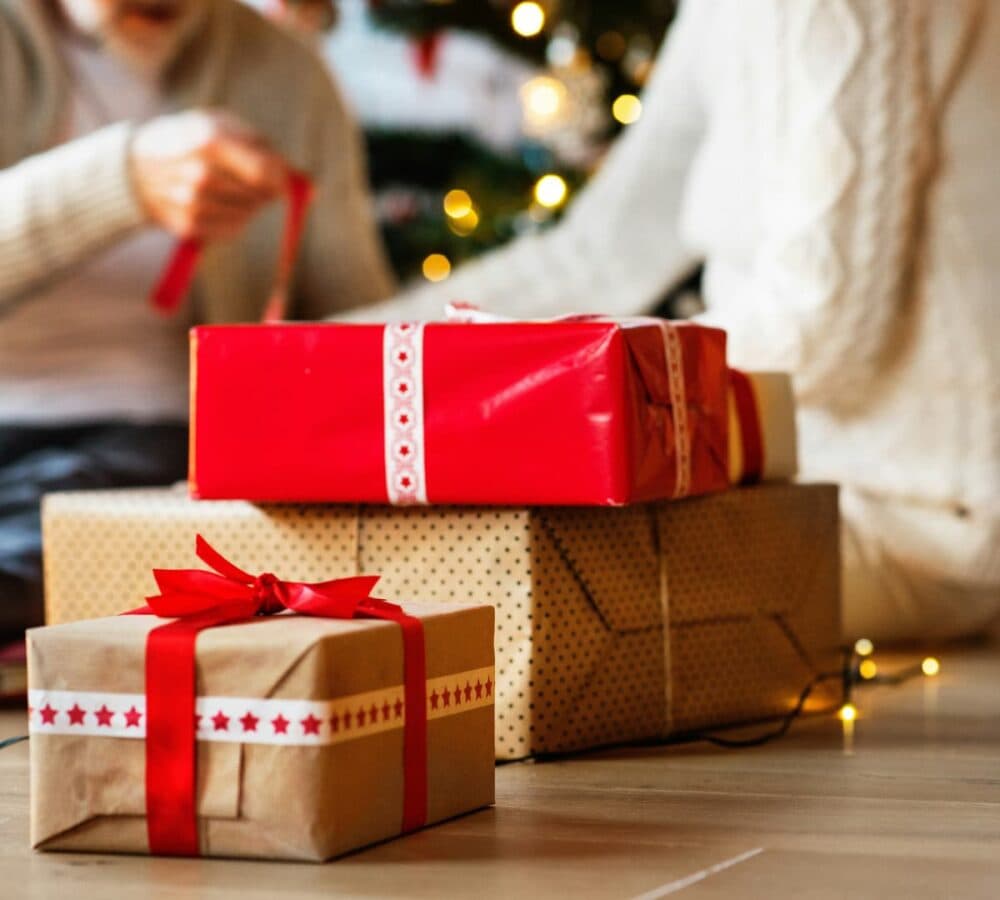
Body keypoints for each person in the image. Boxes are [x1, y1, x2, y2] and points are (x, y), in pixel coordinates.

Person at [343, 0, 1000, 643]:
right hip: (798, 489)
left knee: (457, 572)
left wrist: (538, 389)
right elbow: (602, 248)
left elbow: (817, 332)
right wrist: (338, 353)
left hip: (929, 520)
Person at [0, 0, 395, 637]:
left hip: (154, 448)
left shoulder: (286, 74)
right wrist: (120, 182)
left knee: (87, 551)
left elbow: (354, 320)